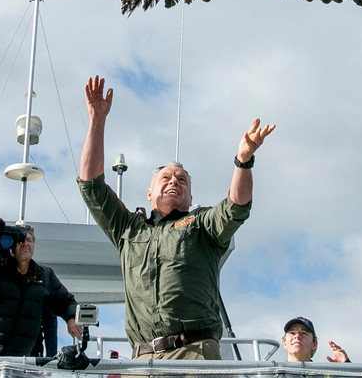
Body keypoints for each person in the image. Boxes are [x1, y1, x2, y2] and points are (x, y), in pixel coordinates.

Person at [78, 75, 276, 360]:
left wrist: (243, 161)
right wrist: (97, 119)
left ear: (191, 197)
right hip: (142, 359)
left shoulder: (202, 225)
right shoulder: (129, 230)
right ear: (149, 193)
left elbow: (237, 206)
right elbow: (91, 186)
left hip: (193, 353)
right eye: (166, 177)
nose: (174, 182)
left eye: (182, 179)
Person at [0, 221, 83, 356]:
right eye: (20, 240)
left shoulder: (45, 275)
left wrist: (71, 318)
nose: (25, 243)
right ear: (11, 245)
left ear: (33, 245)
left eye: (29, 240)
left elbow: (66, 301)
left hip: (19, 350)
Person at [282, 317, 350, 363]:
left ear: (314, 344)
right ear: (284, 343)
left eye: (304, 333)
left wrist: (346, 369)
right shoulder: (273, 373)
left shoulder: (323, 374)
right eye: (292, 333)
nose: (297, 336)